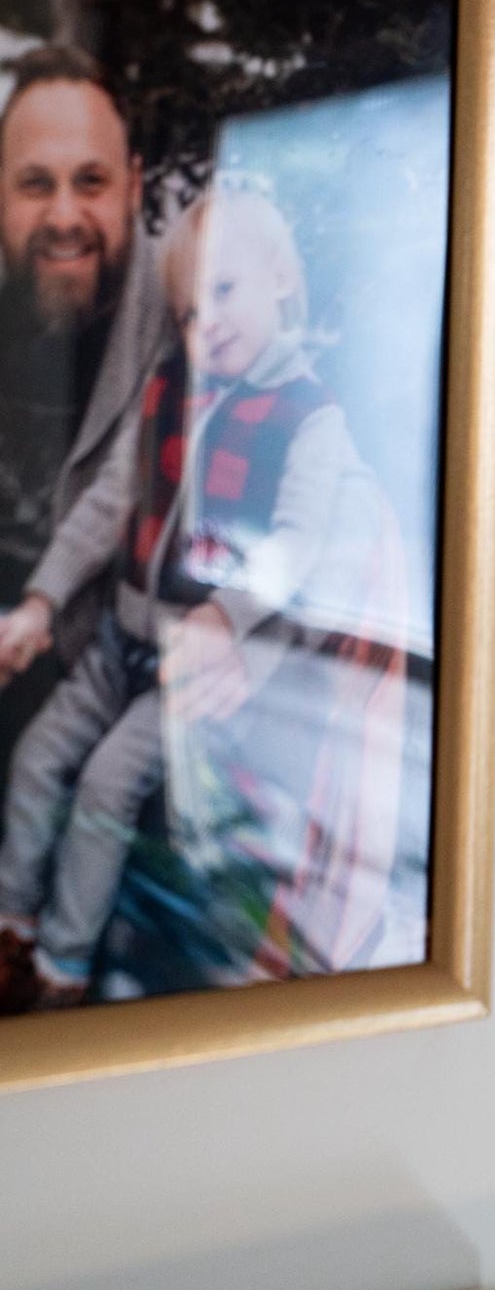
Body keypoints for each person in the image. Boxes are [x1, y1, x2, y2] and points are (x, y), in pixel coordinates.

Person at [0, 183, 379, 1007]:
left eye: (224, 292)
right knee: (35, 757)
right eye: (185, 313)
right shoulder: (169, 388)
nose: (205, 325)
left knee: (104, 785)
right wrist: (40, 600)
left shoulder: (309, 417)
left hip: (189, 670)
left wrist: (226, 613)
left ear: (279, 274)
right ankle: (12, 923)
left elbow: (299, 540)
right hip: (116, 644)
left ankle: (61, 967)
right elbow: (107, 504)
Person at [0, 51, 170, 794]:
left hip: (104, 705)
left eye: (91, 181)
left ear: (133, 185)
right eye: (36, 184)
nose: (64, 216)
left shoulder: (193, 315)